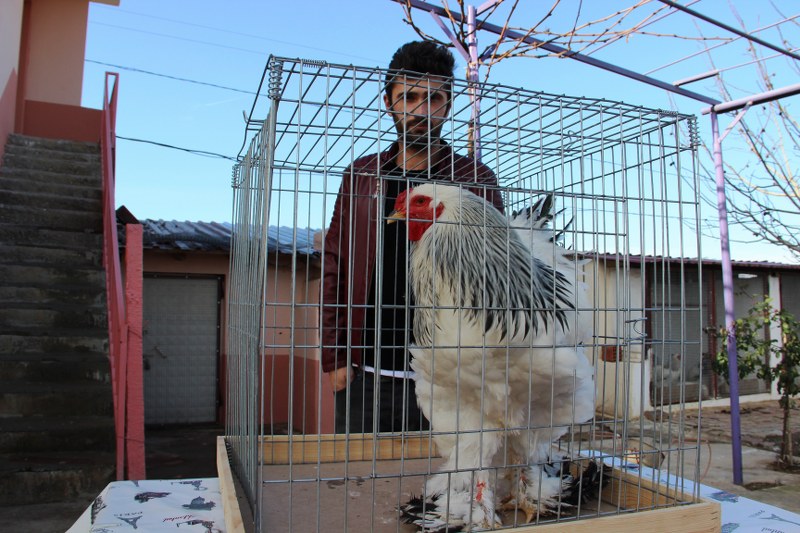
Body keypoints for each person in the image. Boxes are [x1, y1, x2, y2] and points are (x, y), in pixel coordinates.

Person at [321, 40, 504, 434]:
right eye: (410, 97)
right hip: (366, 373)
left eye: (434, 98)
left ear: (449, 106)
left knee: (444, 488)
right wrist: (334, 357)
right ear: (389, 102)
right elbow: (335, 265)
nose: (422, 110)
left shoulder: (475, 180)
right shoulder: (362, 176)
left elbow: (499, 276)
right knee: (360, 487)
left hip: (453, 378)